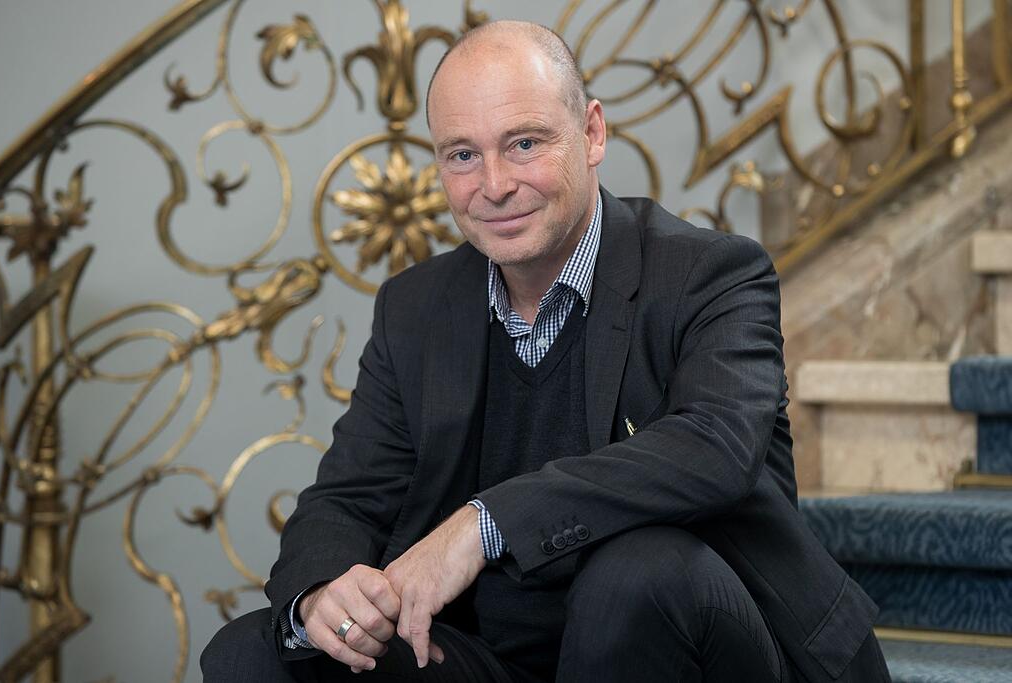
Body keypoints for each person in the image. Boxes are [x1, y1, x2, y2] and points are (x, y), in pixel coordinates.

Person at [202, 20, 890, 682]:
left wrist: (484, 525)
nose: (494, 185)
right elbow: (348, 497)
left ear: (592, 133)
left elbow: (716, 449)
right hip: (490, 656)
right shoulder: (414, 307)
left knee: (637, 573)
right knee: (251, 654)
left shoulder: (711, 273)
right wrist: (323, 596)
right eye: (462, 155)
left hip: (703, 640)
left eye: (524, 143)